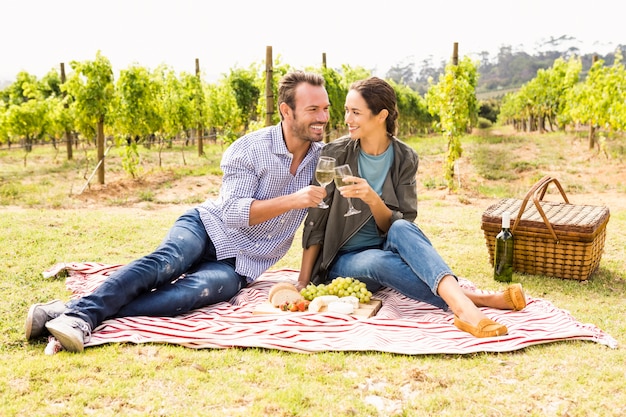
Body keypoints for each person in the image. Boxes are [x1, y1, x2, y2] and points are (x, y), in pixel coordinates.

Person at [25, 71, 331, 352]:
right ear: (286, 111)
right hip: (207, 227)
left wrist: (304, 280)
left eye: (326, 108)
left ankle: (67, 310)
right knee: (166, 263)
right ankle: (80, 318)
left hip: (244, 262)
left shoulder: (324, 161)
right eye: (313, 109)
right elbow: (235, 212)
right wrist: (294, 199)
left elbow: (318, 224)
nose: (323, 117)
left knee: (192, 293)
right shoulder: (250, 148)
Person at [297, 77, 526, 338]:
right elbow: (316, 221)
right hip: (343, 260)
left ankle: (463, 308)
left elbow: (397, 224)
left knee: (404, 227)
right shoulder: (335, 152)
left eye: (356, 112)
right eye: (347, 110)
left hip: (386, 246)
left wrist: (373, 199)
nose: (347, 118)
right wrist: (304, 281)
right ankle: (472, 303)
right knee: (381, 261)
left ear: (381, 115)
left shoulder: (405, 157)